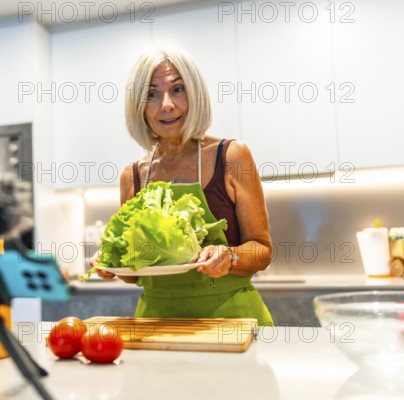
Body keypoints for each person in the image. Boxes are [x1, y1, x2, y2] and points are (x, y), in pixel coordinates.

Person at [91, 46, 274, 326]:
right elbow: (133, 273)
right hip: (157, 323)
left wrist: (230, 256)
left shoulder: (232, 156)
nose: (166, 104)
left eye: (177, 89)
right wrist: (110, 262)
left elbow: (262, 250)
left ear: (195, 94)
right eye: (151, 94)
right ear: (139, 106)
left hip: (231, 319)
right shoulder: (133, 176)